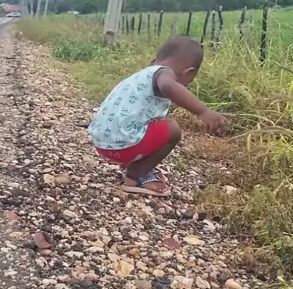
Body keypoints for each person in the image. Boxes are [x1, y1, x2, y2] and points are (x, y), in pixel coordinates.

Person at [88, 35, 226, 197]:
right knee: (172, 130)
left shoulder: (144, 75)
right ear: (188, 72)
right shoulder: (164, 74)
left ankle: (134, 161)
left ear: (155, 59)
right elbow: (168, 86)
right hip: (122, 147)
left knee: (157, 124)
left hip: (102, 144)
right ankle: (137, 174)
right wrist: (203, 111)